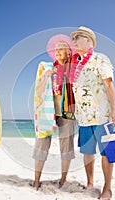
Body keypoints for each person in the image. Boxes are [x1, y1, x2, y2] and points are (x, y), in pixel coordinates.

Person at [70, 26, 115, 200]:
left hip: (101, 115)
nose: (74, 40)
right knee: (87, 151)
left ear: (89, 41)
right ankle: (90, 182)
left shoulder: (101, 59)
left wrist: (114, 111)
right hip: (83, 117)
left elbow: (109, 85)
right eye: (73, 37)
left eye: (77, 37)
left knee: (106, 152)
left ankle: (107, 188)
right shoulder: (75, 65)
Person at [32, 34, 76, 190]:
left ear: (68, 52)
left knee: (66, 146)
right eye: (56, 50)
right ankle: (36, 180)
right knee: (41, 144)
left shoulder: (74, 69)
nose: (57, 52)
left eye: (61, 49)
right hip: (48, 113)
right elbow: (39, 90)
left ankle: (63, 179)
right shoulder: (48, 67)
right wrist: (45, 76)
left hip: (68, 112)